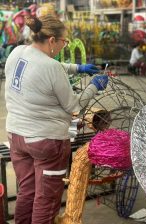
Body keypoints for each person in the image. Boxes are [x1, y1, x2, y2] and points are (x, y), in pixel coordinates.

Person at [4, 15, 108, 224]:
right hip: (46, 142)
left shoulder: (17, 52)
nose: (64, 45)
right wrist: (94, 86)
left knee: (27, 191)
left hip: (16, 137)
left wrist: (78, 68)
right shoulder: (51, 68)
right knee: (46, 199)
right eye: (63, 42)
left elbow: (45, 64)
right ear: (52, 40)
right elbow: (74, 106)